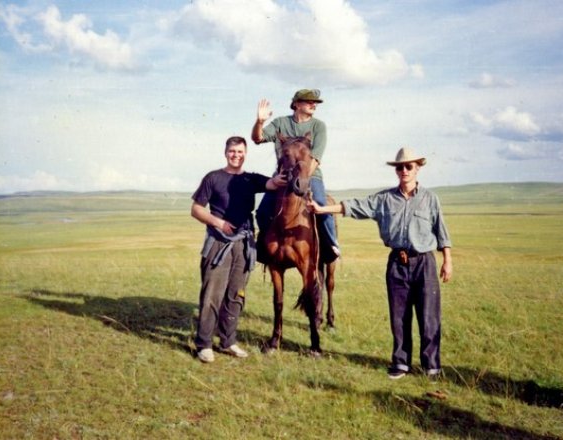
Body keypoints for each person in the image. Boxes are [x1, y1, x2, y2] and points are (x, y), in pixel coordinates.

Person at [308, 147, 452, 380]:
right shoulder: (384, 199)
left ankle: (431, 366)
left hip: (424, 262)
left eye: (408, 166)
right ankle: (401, 363)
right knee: (399, 315)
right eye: (400, 167)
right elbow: (354, 206)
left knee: (429, 316)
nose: (404, 170)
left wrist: (447, 260)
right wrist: (323, 208)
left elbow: (441, 231)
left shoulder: (430, 199)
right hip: (397, 262)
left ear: (418, 168)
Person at [191, 136, 286, 363]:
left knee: (236, 295)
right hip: (219, 243)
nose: (236, 155)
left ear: (245, 154)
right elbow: (196, 209)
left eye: (240, 151)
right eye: (232, 151)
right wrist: (218, 223)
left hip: (244, 245)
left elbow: (273, 184)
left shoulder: (249, 179)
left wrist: (287, 170)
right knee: (212, 295)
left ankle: (228, 341)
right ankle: (204, 344)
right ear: (226, 153)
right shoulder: (213, 178)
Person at [251, 89, 340, 262]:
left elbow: (316, 158)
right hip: (282, 177)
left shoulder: (318, 126)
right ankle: (264, 247)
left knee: (322, 205)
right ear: (296, 104)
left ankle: (330, 244)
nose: (313, 105)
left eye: (315, 103)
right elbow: (257, 138)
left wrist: (302, 180)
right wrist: (260, 122)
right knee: (262, 212)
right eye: (308, 101)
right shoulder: (280, 123)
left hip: (310, 176)